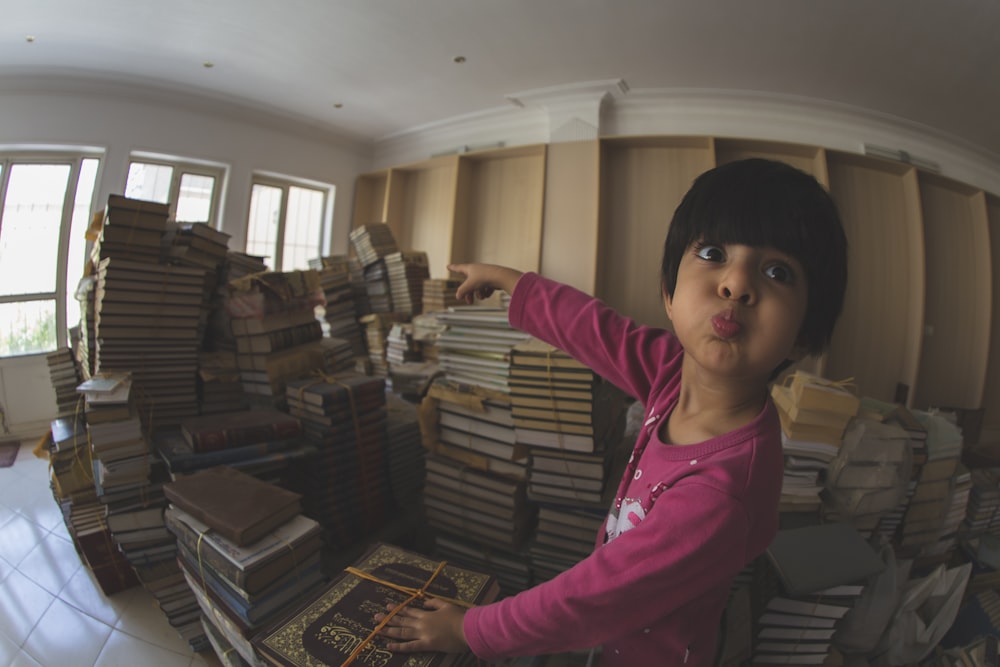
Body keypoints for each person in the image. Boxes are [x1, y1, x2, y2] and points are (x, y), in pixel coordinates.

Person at [375, 158, 849, 666]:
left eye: (777, 271)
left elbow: (591, 598)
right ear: (669, 295)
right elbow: (596, 330)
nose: (736, 283)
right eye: (713, 253)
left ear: (804, 336)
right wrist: (511, 281)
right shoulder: (674, 373)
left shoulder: (721, 492)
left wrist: (470, 630)